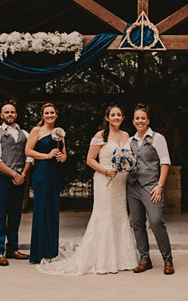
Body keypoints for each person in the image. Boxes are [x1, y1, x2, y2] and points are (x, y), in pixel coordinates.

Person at [38, 105, 138, 275]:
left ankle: (123, 258)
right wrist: (105, 171)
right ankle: (102, 259)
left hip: (120, 182)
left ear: (122, 118)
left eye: (118, 115)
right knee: (104, 216)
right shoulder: (100, 135)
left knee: (119, 215)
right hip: (104, 179)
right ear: (107, 118)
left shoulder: (127, 135)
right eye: (112, 115)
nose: (116, 117)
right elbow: (90, 160)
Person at [127, 104, 175, 275]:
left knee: (155, 221)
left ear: (148, 121)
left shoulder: (157, 138)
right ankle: (144, 259)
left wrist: (160, 186)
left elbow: (165, 162)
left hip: (151, 186)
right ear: (133, 121)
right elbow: (124, 162)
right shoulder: (129, 141)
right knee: (137, 223)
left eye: (143, 118)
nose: (140, 121)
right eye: (137, 118)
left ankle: (168, 260)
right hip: (132, 186)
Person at [0, 103, 33, 266]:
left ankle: (12, 249)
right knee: (0, 215)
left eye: (12, 112)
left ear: (16, 114)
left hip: (20, 177)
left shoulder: (25, 134)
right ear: (1, 115)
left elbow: (29, 156)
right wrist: (13, 174)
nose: (10, 114)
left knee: (15, 214)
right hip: (2, 178)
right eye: (6, 112)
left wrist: (23, 174)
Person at [25, 103, 67, 264]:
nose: (50, 115)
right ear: (42, 115)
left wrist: (61, 158)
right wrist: (47, 155)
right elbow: (28, 151)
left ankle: (51, 251)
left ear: (56, 115)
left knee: (53, 210)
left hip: (55, 173)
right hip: (42, 172)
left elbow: (65, 154)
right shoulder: (37, 131)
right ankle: (39, 251)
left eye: (52, 112)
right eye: (46, 113)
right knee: (42, 209)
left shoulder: (59, 132)